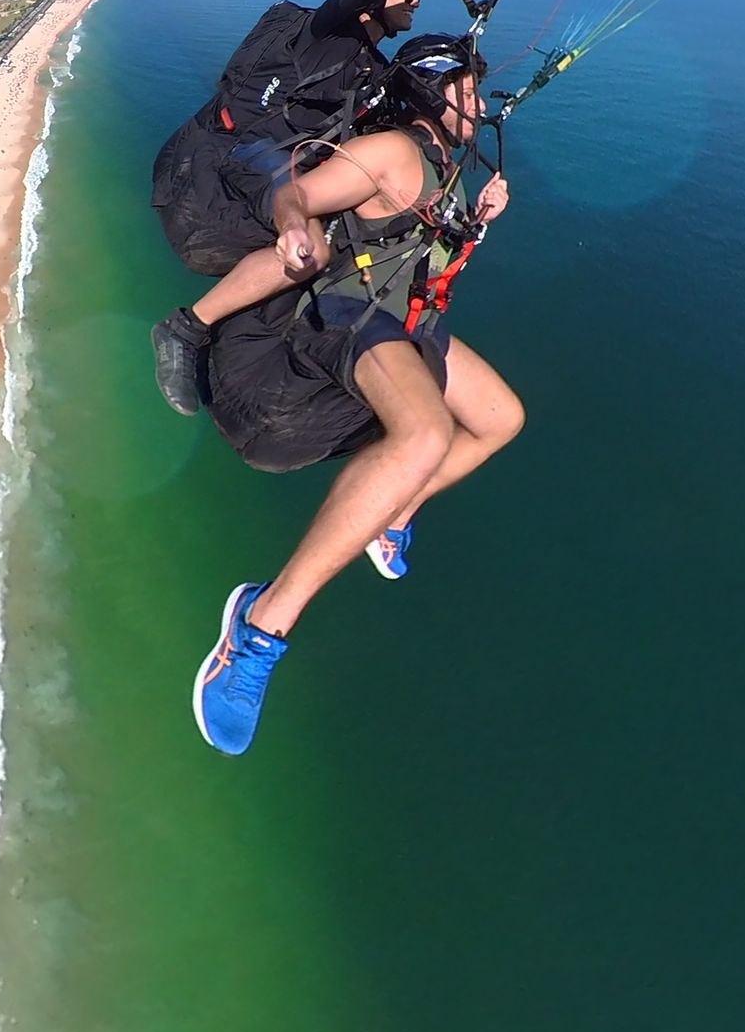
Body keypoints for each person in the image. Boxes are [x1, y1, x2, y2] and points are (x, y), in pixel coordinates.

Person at [188, 44, 525, 757]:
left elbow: (425, 253)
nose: (481, 105)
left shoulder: (447, 167)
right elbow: (297, 192)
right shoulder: (393, 151)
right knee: (425, 433)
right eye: (467, 90)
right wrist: (292, 224)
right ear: (430, 91)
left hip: (407, 318)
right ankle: (259, 624)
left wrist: (479, 216)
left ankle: (391, 512)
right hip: (349, 311)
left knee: (501, 418)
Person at [150, 0, 499, 414]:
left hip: (276, 158)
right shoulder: (326, 31)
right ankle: (186, 328)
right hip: (239, 151)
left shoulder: (374, 69)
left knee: (342, 238)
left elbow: (411, 125)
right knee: (312, 246)